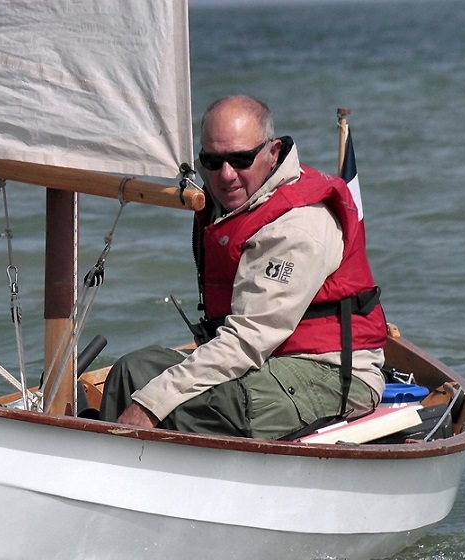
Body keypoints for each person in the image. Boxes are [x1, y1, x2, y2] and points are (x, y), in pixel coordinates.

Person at [99, 95, 387, 440]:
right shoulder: (234, 203)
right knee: (132, 370)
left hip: (328, 371)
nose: (226, 175)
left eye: (240, 159)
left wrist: (149, 405)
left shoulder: (296, 228)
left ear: (273, 153)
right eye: (212, 160)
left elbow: (247, 341)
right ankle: (106, 470)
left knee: (193, 407)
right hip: (267, 360)